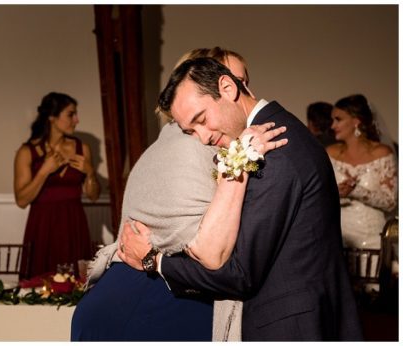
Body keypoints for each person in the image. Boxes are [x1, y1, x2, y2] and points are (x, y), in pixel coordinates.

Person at [120, 57, 362, 340]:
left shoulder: (275, 152)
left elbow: (239, 274)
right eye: (190, 131)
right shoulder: (275, 132)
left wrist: (154, 260)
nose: (203, 138)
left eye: (202, 119)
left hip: (291, 328)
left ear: (227, 88)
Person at [73, 47, 283, 341]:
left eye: (245, 81)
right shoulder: (192, 147)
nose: (241, 92)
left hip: (148, 299)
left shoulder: (184, 140)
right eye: (233, 80)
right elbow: (215, 255)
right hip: (149, 307)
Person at [13, 92, 100, 279]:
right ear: (52, 117)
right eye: (70, 114)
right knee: (39, 285)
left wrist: (90, 172)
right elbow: (21, 200)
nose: (76, 120)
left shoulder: (82, 148)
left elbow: (93, 196)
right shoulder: (27, 152)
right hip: (42, 226)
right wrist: (44, 171)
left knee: (76, 284)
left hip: (73, 224)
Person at [327, 94, 397, 250]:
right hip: (338, 237)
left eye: (338, 119)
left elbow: (390, 202)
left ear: (356, 121)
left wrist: (355, 191)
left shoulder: (382, 153)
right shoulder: (330, 153)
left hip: (372, 239)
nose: (332, 126)